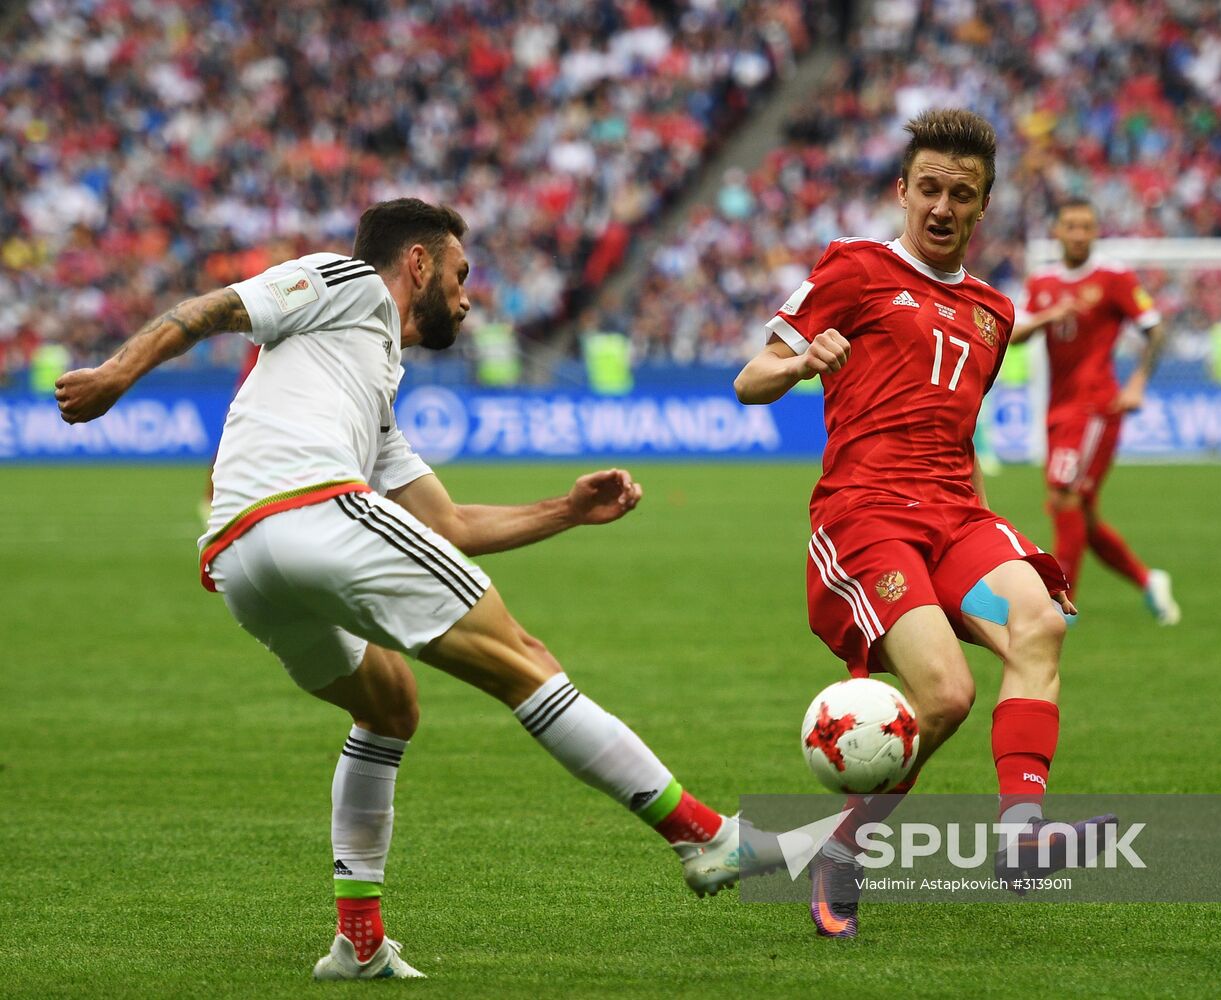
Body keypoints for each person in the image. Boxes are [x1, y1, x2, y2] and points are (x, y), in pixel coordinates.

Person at [55, 198, 766, 980]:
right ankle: (701, 835)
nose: (468, 296)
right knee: (521, 655)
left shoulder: (367, 387)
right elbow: (216, 307)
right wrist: (116, 374)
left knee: (387, 705)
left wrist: (566, 511)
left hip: (242, 561)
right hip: (312, 511)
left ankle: (357, 942)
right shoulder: (348, 279)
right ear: (418, 264)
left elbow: (448, 522)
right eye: (461, 275)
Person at [735, 110, 1109, 939]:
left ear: (982, 207)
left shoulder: (992, 312)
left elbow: (955, 431)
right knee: (944, 695)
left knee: (1040, 623)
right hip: (866, 513)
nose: (942, 206)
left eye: (961, 194)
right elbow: (748, 379)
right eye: (929, 188)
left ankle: (1021, 837)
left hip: (954, 513)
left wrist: (975, 519)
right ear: (902, 191)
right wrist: (800, 362)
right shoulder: (854, 268)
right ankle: (843, 851)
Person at [1013, 199, 1180, 624]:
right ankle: (1148, 581)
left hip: (1095, 406)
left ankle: (1059, 606)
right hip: (1058, 408)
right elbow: (1016, 335)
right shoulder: (1043, 281)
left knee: (1063, 495)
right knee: (1079, 514)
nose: (1079, 233)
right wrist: (1050, 314)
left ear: (1095, 231)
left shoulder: (1114, 277)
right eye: (1071, 226)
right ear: (1057, 231)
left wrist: (1138, 381)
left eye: (1086, 226)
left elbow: (1155, 330)